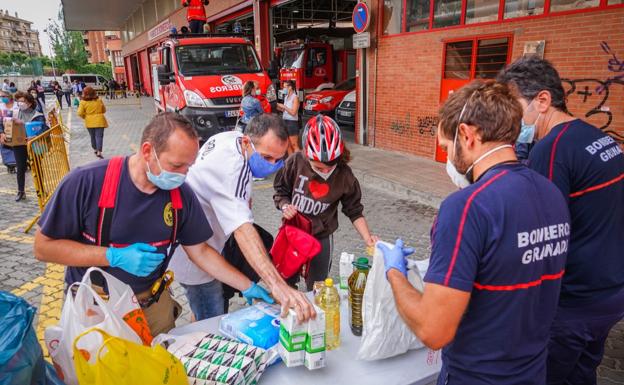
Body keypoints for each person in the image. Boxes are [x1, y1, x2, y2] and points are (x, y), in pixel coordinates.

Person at [380, 80, 571, 384]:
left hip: (477, 376)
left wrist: (394, 274)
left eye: (446, 148)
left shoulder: (466, 207)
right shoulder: (551, 193)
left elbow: (434, 330)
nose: (448, 158)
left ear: (467, 135)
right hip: (532, 372)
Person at [33, 112, 273, 336]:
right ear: (148, 151)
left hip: (153, 304)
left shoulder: (182, 195)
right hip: (96, 307)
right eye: (176, 166)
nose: (183, 175)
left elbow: (200, 251)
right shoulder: (87, 182)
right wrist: (112, 256)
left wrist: (247, 285)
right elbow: (43, 247)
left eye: (189, 166)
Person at [498, 56, 624, 385]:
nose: (513, 118)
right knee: (582, 373)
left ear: (542, 100)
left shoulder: (551, 149)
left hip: (575, 300)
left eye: (515, 106)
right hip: (611, 291)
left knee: (547, 376)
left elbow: (542, 235)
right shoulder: (594, 136)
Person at [169, 113, 315, 322]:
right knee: (212, 319)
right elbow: (243, 231)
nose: (273, 164)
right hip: (197, 260)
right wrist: (278, 286)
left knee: (199, 311)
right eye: (266, 157)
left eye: (279, 158)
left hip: (205, 244)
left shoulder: (230, 138)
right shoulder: (231, 170)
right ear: (247, 142)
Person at [273, 115, 378, 291]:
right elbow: (280, 191)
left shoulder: (345, 176)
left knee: (318, 286)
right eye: (318, 167)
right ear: (306, 153)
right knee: (285, 282)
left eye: (330, 166)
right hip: (293, 232)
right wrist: (285, 205)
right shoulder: (295, 162)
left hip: (321, 237)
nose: (326, 171)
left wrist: (368, 238)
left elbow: (354, 210)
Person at [0, 91, 47, 201]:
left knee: (37, 167)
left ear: (30, 103)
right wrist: (2, 132)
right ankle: (21, 191)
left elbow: (45, 128)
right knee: (20, 168)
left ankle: (41, 189)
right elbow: (2, 122)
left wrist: (35, 135)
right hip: (19, 144)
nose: (20, 103)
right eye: (18, 101)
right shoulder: (15, 112)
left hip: (35, 145)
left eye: (23, 101)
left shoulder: (37, 114)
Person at [77, 87, 108, 159]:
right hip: (100, 121)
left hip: (89, 121)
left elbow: (79, 113)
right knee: (99, 137)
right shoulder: (99, 100)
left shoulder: (83, 102)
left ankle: (95, 149)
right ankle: (99, 152)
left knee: (92, 136)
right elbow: (104, 110)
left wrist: (85, 117)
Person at [276, 80, 300, 155]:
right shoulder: (286, 97)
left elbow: (293, 112)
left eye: (285, 87)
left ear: (290, 87)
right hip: (285, 121)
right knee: (288, 145)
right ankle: (292, 163)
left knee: (294, 145)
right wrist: (277, 107)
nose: (283, 89)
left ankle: (300, 162)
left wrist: (284, 106)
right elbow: (285, 110)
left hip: (292, 123)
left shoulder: (295, 98)